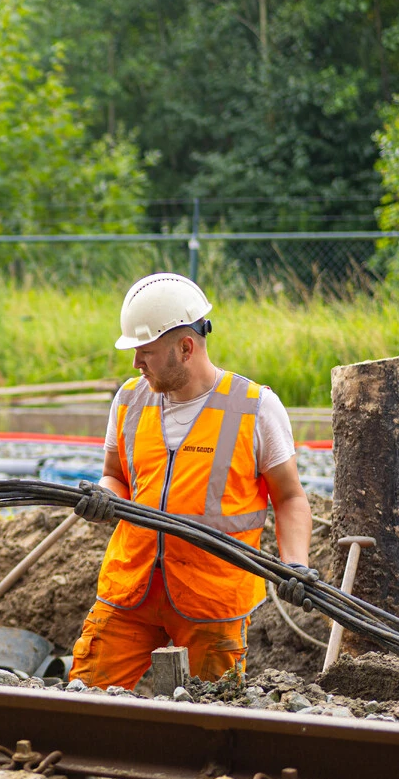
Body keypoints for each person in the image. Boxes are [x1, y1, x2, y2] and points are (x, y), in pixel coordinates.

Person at [69, 273, 312, 689]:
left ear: (185, 348)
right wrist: (103, 498)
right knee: (84, 697)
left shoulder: (254, 408)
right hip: (131, 588)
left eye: (145, 351)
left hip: (212, 600)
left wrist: (295, 566)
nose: (135, 363)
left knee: (210, 719)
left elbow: (289, 498)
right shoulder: (129, 400)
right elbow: (115, 476)